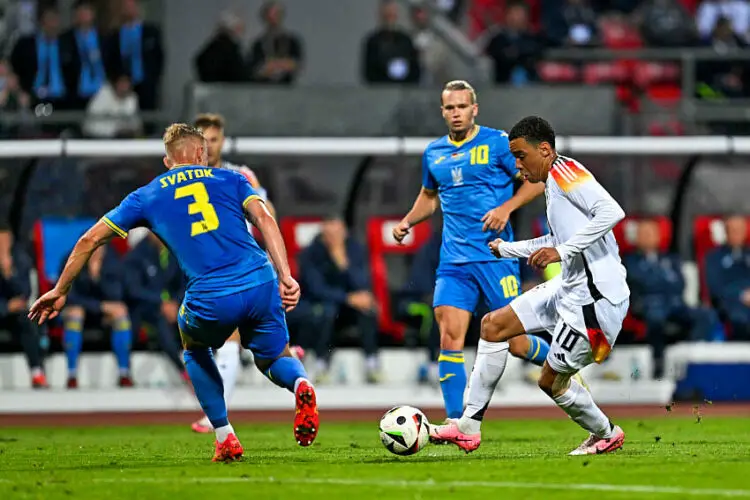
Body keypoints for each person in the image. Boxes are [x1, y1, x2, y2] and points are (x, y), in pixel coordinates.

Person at [29, 124, 318, 462]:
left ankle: (225, 436)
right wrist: (285, 275)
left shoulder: (146, 195)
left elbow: (89, 240)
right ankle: (301, 386)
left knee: (195, 348)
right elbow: (266, 220)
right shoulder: (234, 179)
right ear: (201, 154)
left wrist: (60, 290)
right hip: (260, 281)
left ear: (168, 162)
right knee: (274, 357)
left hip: (211, 295)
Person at [430, 116, 629, 456]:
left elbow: (612, 211)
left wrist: (561, 252)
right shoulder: (553, 181)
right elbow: (557, 238)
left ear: (545, 150)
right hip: (569, 288)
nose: (517, 165)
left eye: (521, 156)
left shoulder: (567, 174)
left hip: (595, 305)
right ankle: (468, 427)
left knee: (550, 383)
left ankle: (606, 433)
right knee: (493, 326)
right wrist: (510, 248)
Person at [392, 80, 550, 420]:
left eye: (462, 106)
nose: (456, 113)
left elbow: (537, 181)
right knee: (449, 335)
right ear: (442, 111)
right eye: (450, 107)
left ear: (474, 109)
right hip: (454, 262)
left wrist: (506, 208)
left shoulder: (498, 143)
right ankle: (455, 422)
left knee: (517, 343)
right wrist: (408, 221)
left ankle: (565, 364)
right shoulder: (434, 152)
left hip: (495, 256)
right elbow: (429, 196)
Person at [189, 113, 304, 434]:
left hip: (242, 266)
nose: (209, 146)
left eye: (214, 139)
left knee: (227, 337)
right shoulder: (185, 180)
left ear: (223, 141)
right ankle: (292, 361)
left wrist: (276, 263)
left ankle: (215, 417)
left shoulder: (239, 175)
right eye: (203, 140)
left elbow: (266, 215)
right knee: (243, 340)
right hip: (209, 269)